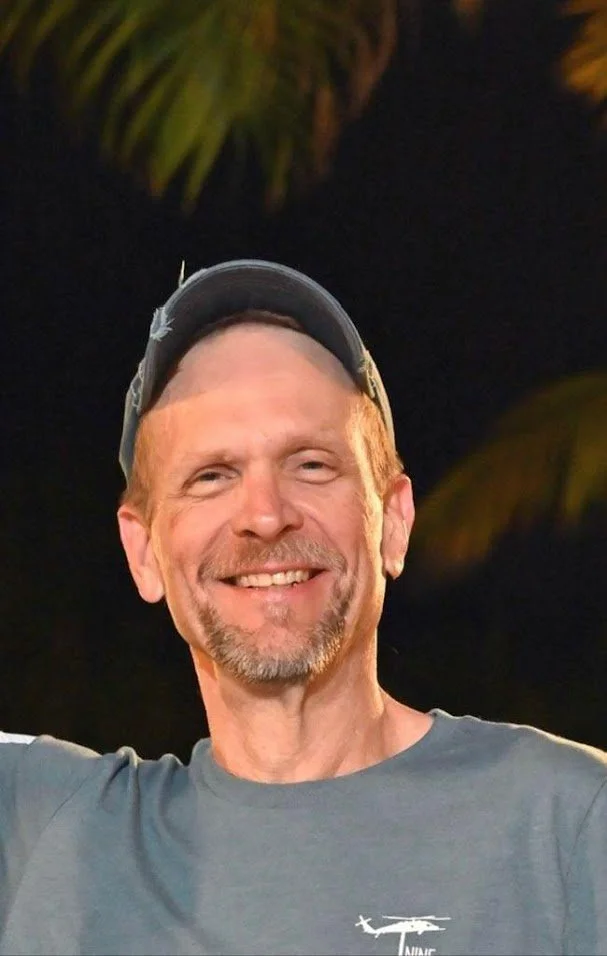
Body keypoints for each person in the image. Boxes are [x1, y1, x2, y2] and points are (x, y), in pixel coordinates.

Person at [1, 259, 606, 956]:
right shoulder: (43, 825)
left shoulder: (564, 826)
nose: (264, 515)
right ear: (143, 552)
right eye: (211, 476)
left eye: (312, 464)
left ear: (393, 519)